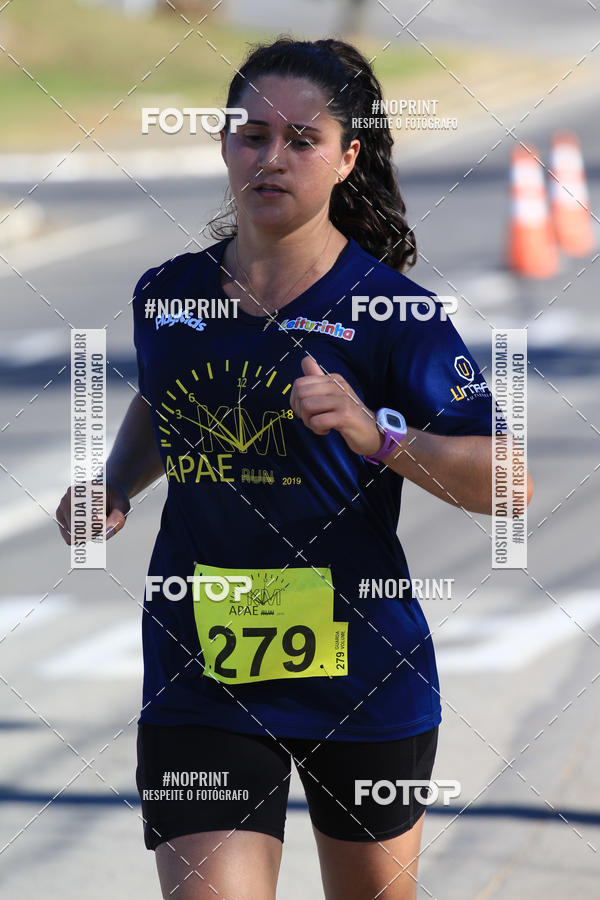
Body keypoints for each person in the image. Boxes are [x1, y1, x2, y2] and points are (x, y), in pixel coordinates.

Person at [56, 37, 532, 900]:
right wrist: (116, 481)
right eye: (251, 135)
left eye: (302, 140)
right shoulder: (169, 294)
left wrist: (377, 435)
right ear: (225, 145)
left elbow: (510, 484)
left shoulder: (393, 313)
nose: (271, 157)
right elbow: (168, 401)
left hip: (360, 674)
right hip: (201, 673)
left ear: (349, 157)